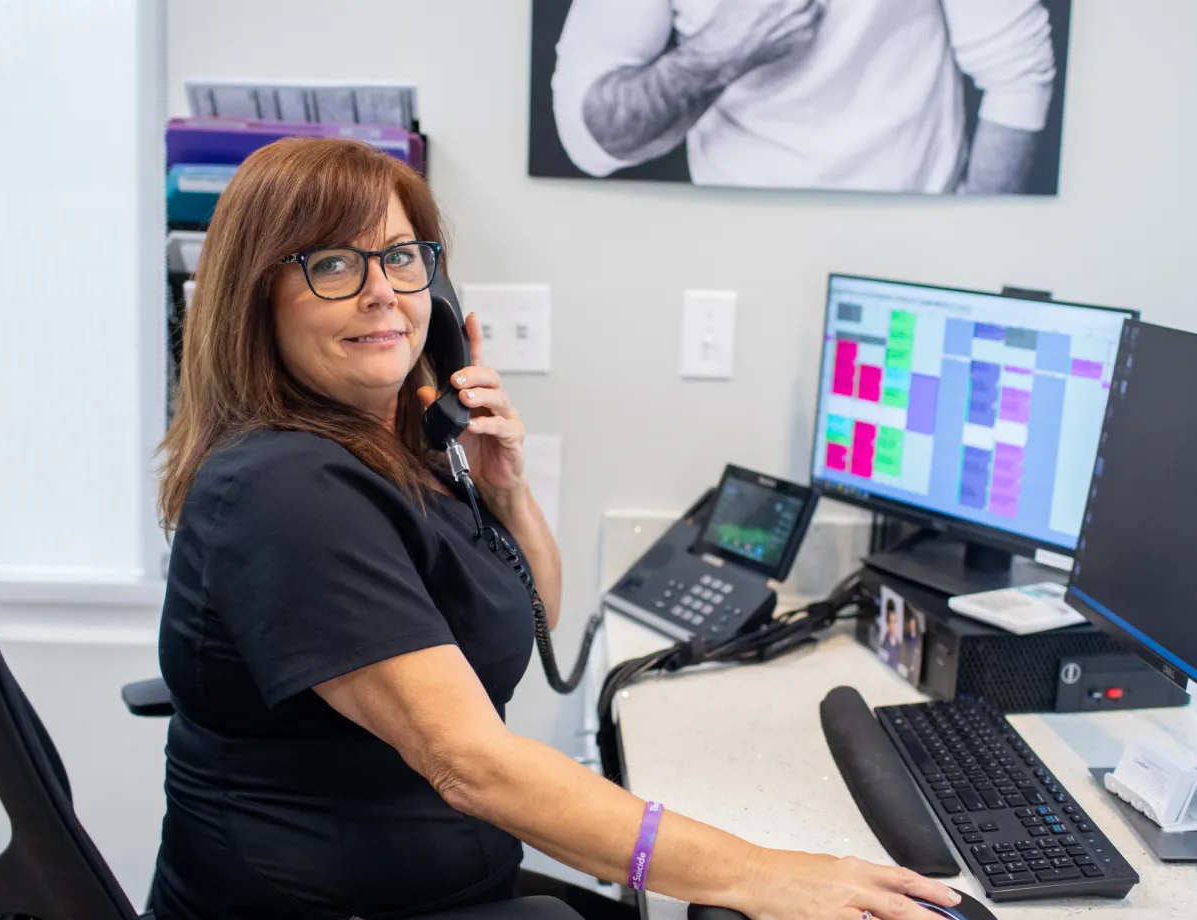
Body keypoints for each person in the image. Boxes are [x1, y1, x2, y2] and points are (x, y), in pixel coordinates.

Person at [151, 137, 963, 920]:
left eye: (401, 257)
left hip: (444, 888)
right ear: (255, 299)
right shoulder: (286, 487)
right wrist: (763, 874)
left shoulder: (386, 450)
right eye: (332, 264)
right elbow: (471, 764)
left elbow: (532, 612)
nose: (383, 293)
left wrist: (503, 488)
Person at [551, 0, 1057, 193]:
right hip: (728, 238)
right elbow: (588, 141)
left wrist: (972, 249)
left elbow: (1018, 79)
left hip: (914, 238)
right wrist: (718, 54)